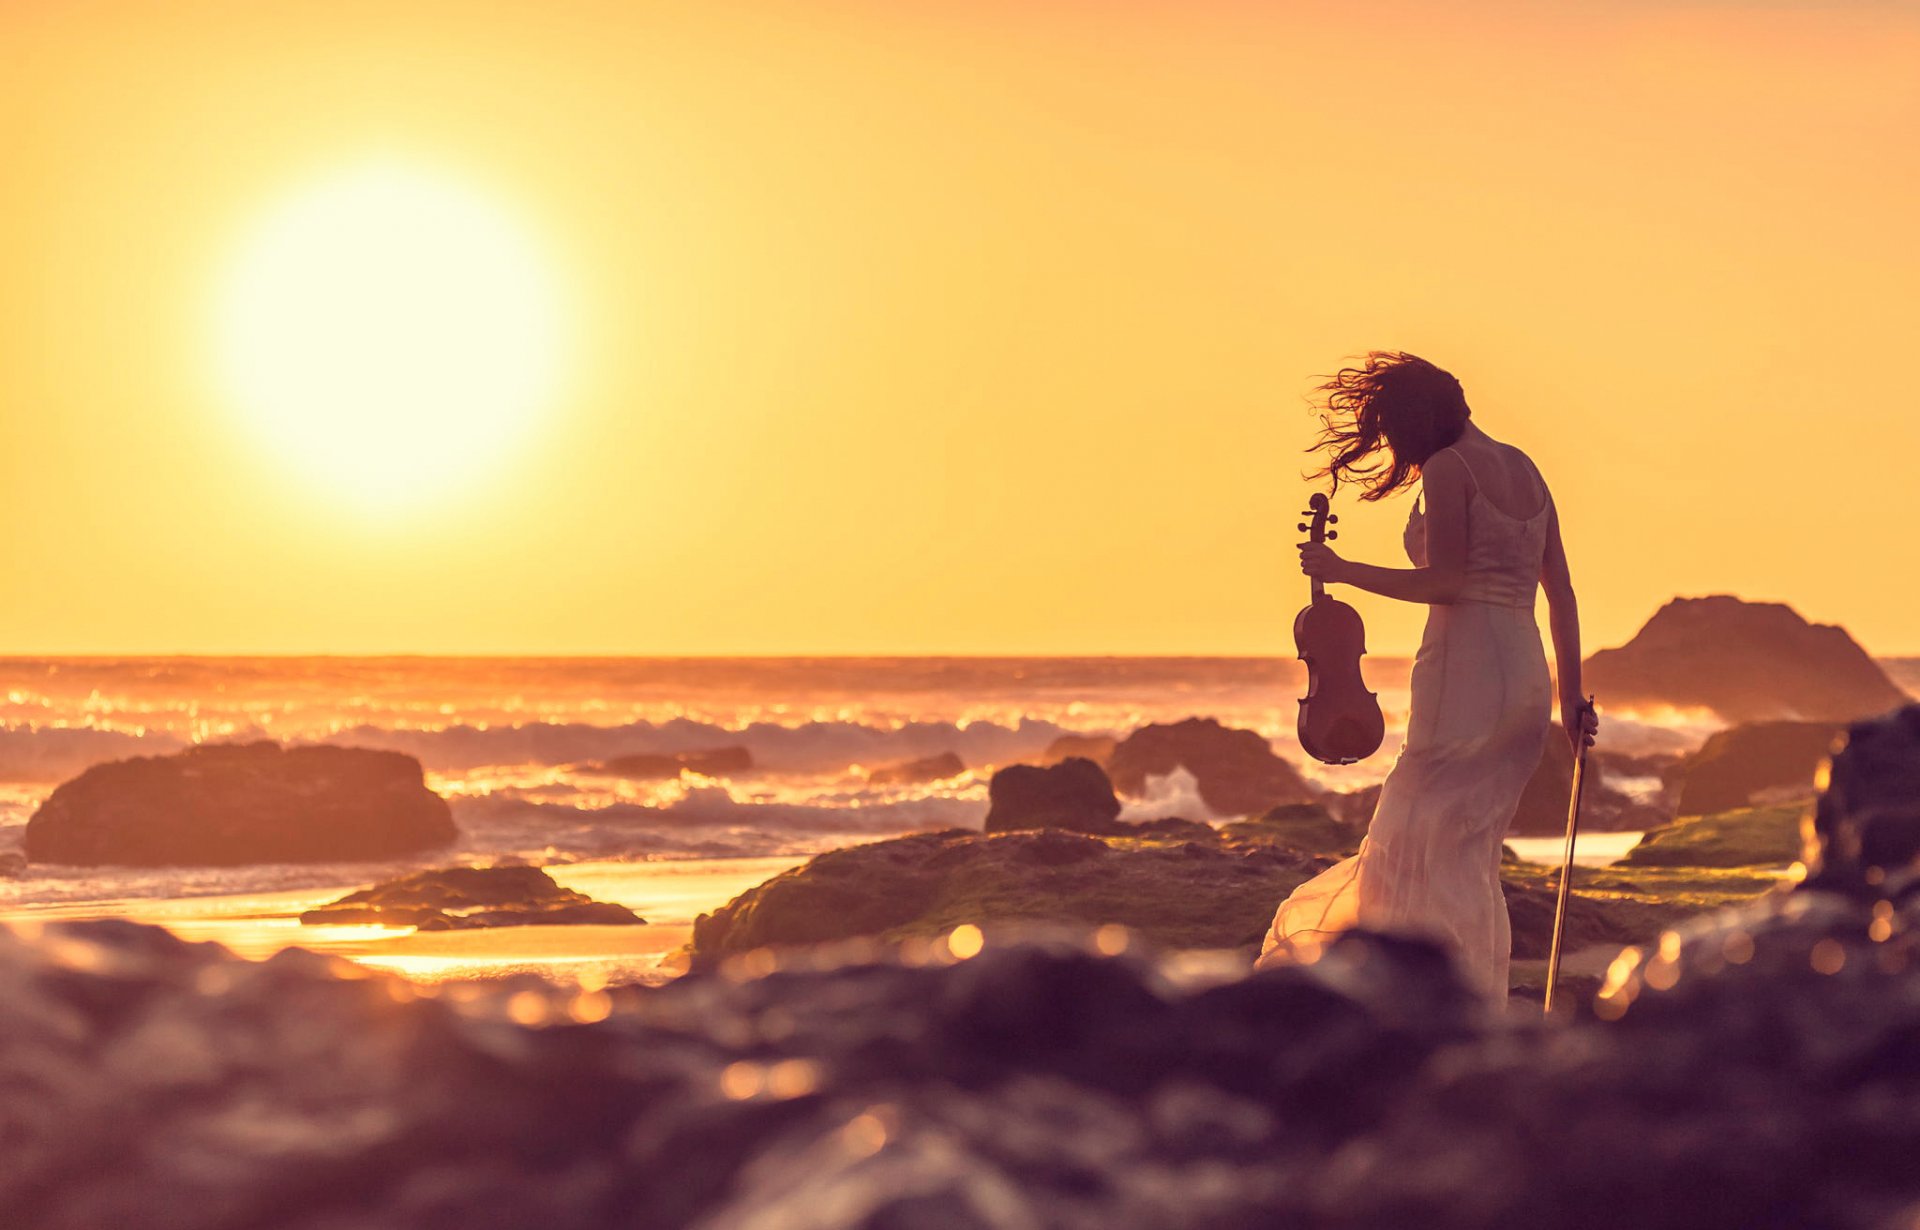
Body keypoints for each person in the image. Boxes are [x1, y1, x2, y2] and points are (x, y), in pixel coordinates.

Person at [1256, 351, 1598, 1002]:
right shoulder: (1526, 467)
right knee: (1468, 856)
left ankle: (1405, 999)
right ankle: (1469, 997)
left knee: (1409, 835)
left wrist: (1341, 566)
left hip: (1463, 669)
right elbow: (1564, 595)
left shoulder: (1448, 467)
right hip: (1524, 674)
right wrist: (1571, 698)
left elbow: (1447, 581)